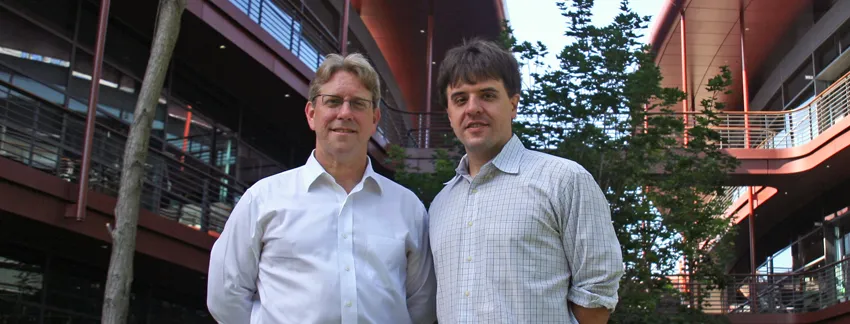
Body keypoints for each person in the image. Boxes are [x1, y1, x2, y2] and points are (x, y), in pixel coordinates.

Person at [207, 53, 437, 324]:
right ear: (312, 114)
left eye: (358, 104)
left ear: (374, 118)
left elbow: (421, 305)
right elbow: (225, 295)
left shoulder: (407, 208)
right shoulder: (262, 199)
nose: (345, 113)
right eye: (333, 101)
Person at [428, 39, 624, 323]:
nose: (473, 108)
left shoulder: (564, 181)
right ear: (449, 114)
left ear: (513, 104)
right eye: (460, 99)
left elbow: (596, 293)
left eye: (487, 95)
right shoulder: (440, 205)